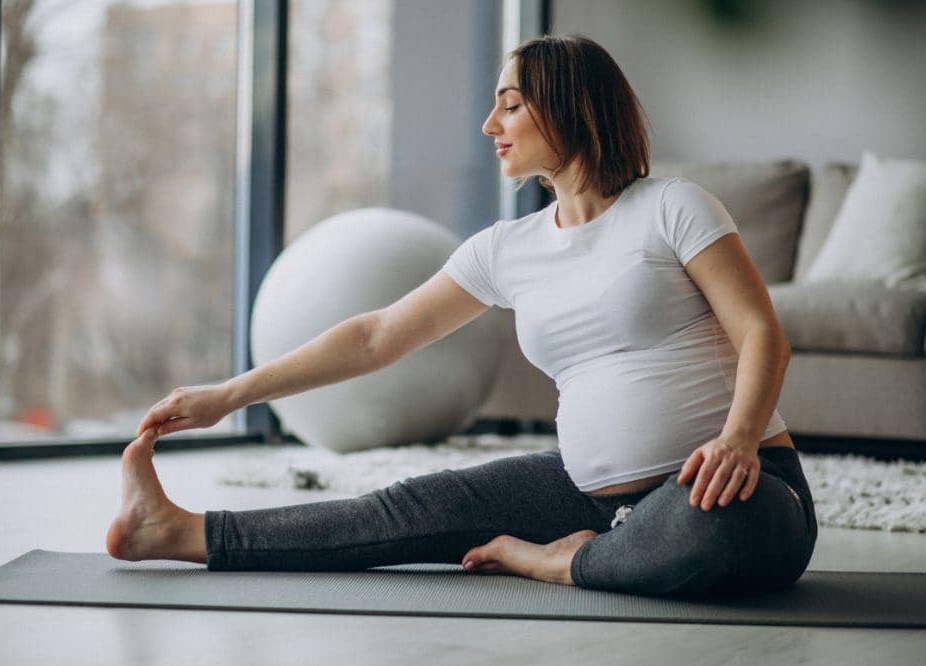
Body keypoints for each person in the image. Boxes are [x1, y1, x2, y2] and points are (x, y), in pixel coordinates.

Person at [106, 34, 817, 599]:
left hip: (735, 489)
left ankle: (565, 565)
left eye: (510, 105)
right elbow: (376, 337)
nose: (490, 125)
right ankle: (178, 531)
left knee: (719, 527)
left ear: (567, 106)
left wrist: (737, 440)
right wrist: (228, 396)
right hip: (585, 492)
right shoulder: (509, 250)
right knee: (406, 509)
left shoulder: (672, 207)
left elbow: (762, 335)